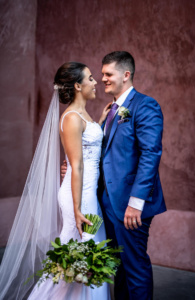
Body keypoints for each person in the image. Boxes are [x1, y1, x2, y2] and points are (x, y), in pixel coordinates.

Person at [0, 62, 111, 300]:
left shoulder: (83, 114)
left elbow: (87, 147)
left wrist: (100, 124)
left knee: (83, 258)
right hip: (79, 195)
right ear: (78, 86)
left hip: (87, 192)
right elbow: (77, 164)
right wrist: (78, 208)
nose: (95, 82)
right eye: (90, 78)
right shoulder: (71, 117)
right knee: (79, 259)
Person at [61, 51, 167, 300]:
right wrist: (74, 167)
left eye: (108, 74)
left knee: (135, 268)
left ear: (126, 75)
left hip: (130, 206)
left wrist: (136, 203)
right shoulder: (112, 111)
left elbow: (150, 155)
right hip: (105, 204)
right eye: (101, 74)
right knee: (116, 269)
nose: (102, 79)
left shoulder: (145, 105)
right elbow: (103, 154)